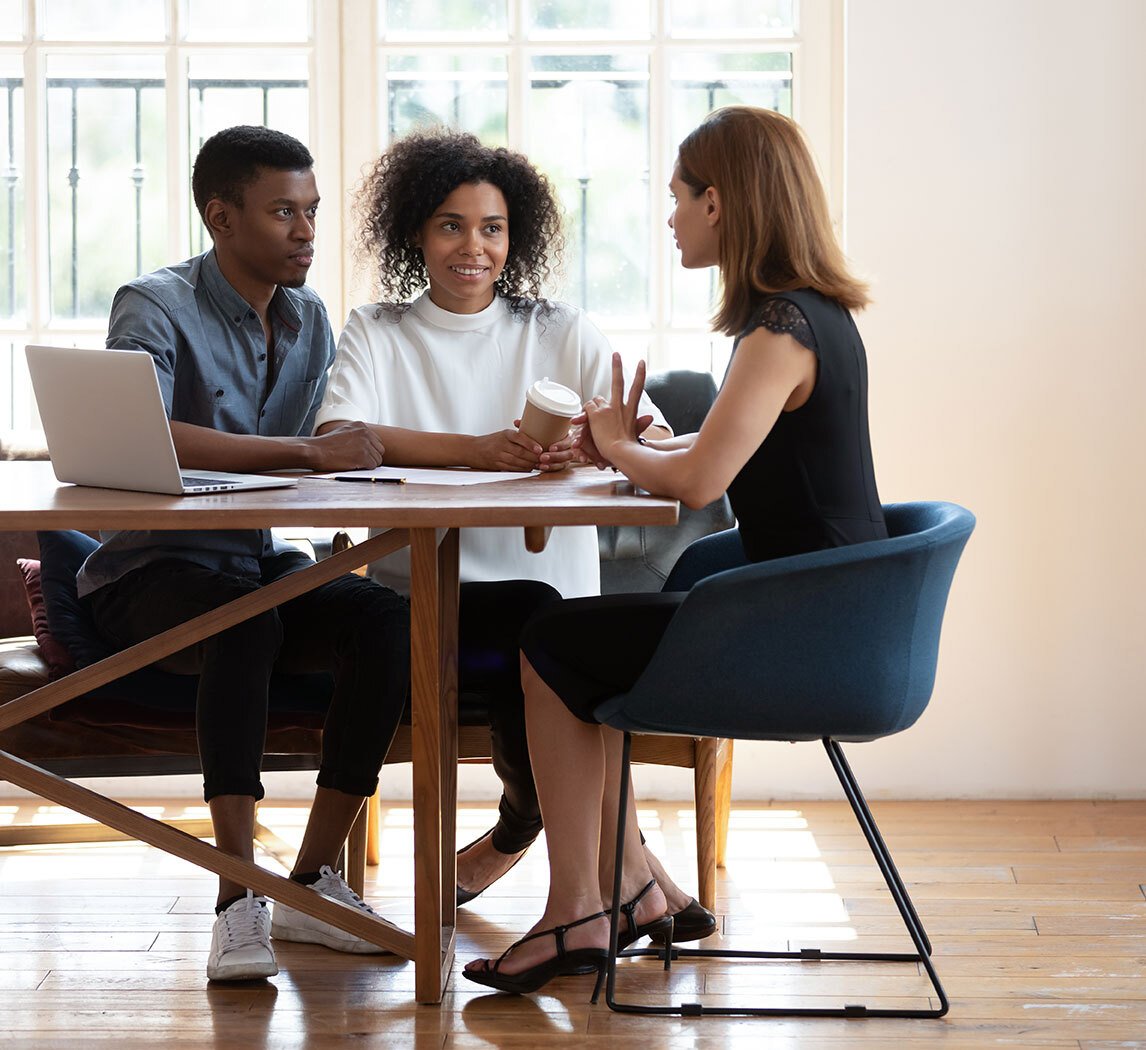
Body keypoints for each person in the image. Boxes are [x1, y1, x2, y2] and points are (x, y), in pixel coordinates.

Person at [463, 105, 887, 994]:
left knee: (551, 643)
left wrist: (619, 445)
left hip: (806, 633)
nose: (670, 218)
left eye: (678, 199)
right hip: (826, 615)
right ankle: (621, 893)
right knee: (579, 641)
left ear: (720, 203)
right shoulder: (813, 318)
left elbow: (699, 484)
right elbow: (701, 459)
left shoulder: (781, 332)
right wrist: (621, 448)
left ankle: (585, 907)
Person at [77, 126, 411, 983]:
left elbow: (334, 440)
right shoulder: (153, 305)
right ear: (221, 218)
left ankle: (310, 883)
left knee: (387, 620)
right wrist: (304, 457)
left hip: (255, 565)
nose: (306, 232)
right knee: (247, 620)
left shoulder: (310, 318)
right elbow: (143, 435)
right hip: (147, 575)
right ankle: (237, 897)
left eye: (311, 212)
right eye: (282, 213)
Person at [314, 128, 675, 906]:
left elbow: (657, 435)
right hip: (423, 600)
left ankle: (576, 859)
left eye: (492, 227)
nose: (472, 246)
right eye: (450, 225)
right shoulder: (378, 331)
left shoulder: (558, 330)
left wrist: (595, 442)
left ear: (517, 237)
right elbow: (338, 441)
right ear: (415, 232)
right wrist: (472, 450)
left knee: (548, 631)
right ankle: (632, 879)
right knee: (537, 633)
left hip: (553, 597)